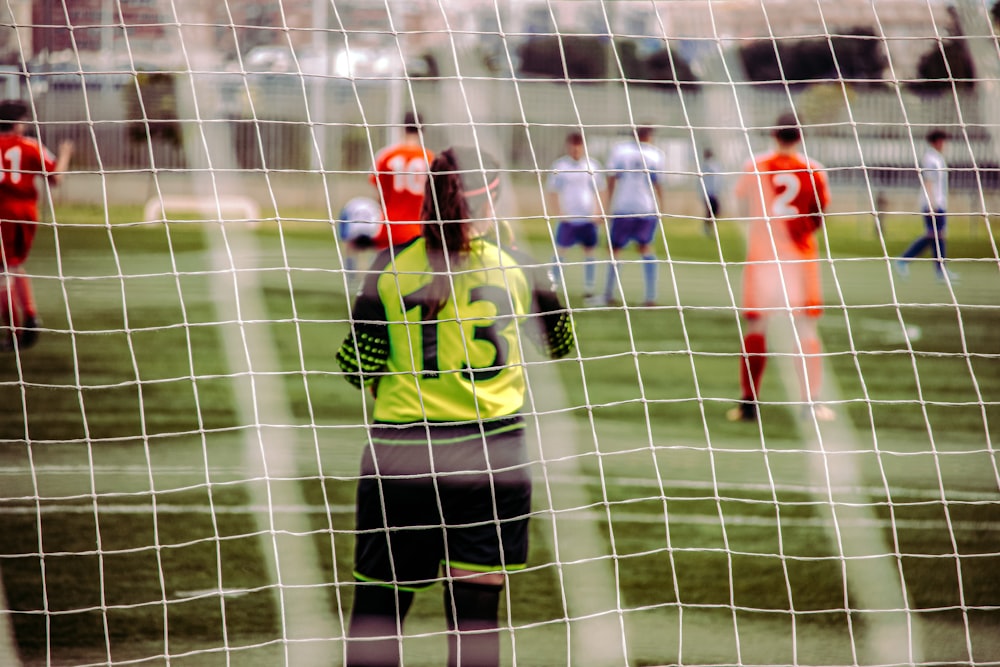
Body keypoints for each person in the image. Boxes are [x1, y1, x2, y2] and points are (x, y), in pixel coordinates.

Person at [336, 146, 575, 667]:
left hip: (401, 455)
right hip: (492, 457)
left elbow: (356, 368)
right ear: (493, 200)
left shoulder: (390, 265)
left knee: (377, 617)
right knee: (474, 627)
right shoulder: (518, 265)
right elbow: (559, 344)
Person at [728, 112, 833, 423]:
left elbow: (742, 207)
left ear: (774, 135)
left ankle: (748, 404)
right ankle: (811, 404)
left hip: (763, 259)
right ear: (799, 137)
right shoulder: (813, 169)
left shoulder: (755, 166)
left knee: (758, 327)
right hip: (799, 259)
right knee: (805, 329)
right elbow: (819, 215)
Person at [0, 99, 73, 350]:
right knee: (15, 265)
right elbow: (56, 178)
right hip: (28, 214)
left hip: (2, 213)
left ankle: (14, 331)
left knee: (3, 271)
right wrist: (64, 155)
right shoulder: (31, 146)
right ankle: (30, 316)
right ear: (18, 123)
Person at [597, 125, 665, 307]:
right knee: (646, 248)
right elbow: (658, 184)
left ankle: (608, 294)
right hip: (646, 208)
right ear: (648, 136)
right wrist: (662, 207)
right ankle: (651, 296)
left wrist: (607, 205)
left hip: (624, 207)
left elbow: (611, 179)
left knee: (615, 249)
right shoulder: (656, 154)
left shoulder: (621, 150)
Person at [545, 131, 606, 304]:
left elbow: (601, 190)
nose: (576, 150)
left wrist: (599, 211)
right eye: (573, 146)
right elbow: (552, 191)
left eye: (579, 146)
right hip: (568, 219)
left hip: (588, 219)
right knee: (560, 252)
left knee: (590, 252)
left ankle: (589, 288)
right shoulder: (560, 166)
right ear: (568, 146)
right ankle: (553, 286)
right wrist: (559, 213)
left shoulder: (593, 166)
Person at [895, 129, 956, 283]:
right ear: (937, 141)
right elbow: (928, 181)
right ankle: (904, 260)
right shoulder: (930, 159)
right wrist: (932, 204)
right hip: (933, 204)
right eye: (943, 141)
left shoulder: (937, 158)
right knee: (934, 235)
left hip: (939, 202)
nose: (945, 144)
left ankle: (940, 270)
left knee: (936, 236)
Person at [369, 110, 434, 250]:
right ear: (423, 129)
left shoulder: (386, 155)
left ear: (402, 127)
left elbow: (379, 195)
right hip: (418, 232)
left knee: (384, 271)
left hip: (389, 229)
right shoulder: (430, 159)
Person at [336, 195, 383, 290]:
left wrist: (343, 236)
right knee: (379, 251)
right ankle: (374, 275)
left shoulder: (351, 205)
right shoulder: (374, 205)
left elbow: (343, 219)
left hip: (355, 229)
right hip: (372, 229)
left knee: (349, 249)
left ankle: (350, 276)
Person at [700, 147, 722, 236]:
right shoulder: (705, 166)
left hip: (714, 192)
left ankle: (709, 227)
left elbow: (718, 179)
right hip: (708, 192)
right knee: (709, 211)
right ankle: (706, 228)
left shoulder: (715, 165)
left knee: (716, 211)